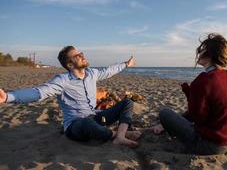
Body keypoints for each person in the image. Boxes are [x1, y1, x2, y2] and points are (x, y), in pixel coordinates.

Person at [0, 46, 141, 147]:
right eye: (77, 55)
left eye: (81, 53)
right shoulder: (62, 80)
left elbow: (108, 70)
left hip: (96, 117)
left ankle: (120, 136)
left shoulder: (92, 73)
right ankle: (115, 135)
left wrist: (126, 64)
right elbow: (39, 92)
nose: (82, 56)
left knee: (127, 102)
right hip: (76, 125)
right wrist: (8, 97)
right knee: (87, 122)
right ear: (69, 64)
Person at [151, 33, 227, 155]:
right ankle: (164, 127)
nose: (199, 54)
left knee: (164, 112)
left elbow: (197, 117)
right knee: (180, 117)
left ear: (210, 55)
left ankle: (165, 126)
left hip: (209, 145)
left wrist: (191, 95)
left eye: (202, 50)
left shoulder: (203, 80)